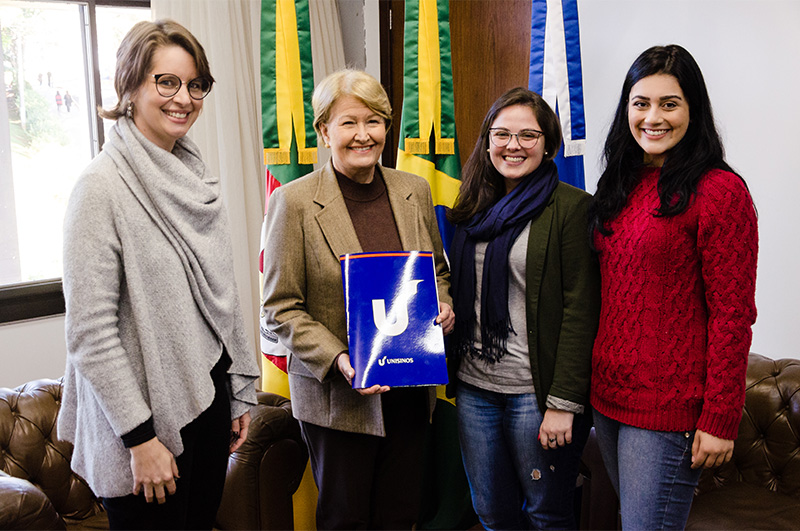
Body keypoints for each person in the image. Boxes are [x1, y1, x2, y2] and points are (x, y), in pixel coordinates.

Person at [58, 19, 260, 530]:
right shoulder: (100, 188)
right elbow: (90, 333)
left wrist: (236, 391)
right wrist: (141, 439)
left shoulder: (194, 176)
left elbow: (223, 297)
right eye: (166, 82)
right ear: (130, 85)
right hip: (142, 428)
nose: (183, 99)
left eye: (195, 85)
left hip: (208, 403)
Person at [261, 68, 455, 530]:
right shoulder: (295, 202)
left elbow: (437, 271)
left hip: (409, 390)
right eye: (349, 122)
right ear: (324, 131)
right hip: (339, 397)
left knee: (401, 514)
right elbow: (280, 305)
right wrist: (342, 359)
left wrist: (442, 303)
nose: (363, 135)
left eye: (374, 121)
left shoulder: (415, 190)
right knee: (345, 519)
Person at [589, 44, 758, 529]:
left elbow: (733, 313)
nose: (653, 117)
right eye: (641, 103)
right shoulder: (620, 184)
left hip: (667, 408)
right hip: (607, 398)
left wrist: (719, 417)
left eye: (669, 103)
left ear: (693, 110)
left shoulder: (720, 192)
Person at [446, 87, 599, 530]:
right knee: (491, 512)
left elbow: (580, 311)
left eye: (528, 135)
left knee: (546, 514)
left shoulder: (572, 208)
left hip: (536, 395)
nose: (513, 145)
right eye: (502, 134)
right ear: (487, 141)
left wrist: (563, 404)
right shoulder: (473, 204)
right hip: (475, 389)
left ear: (548, 143)